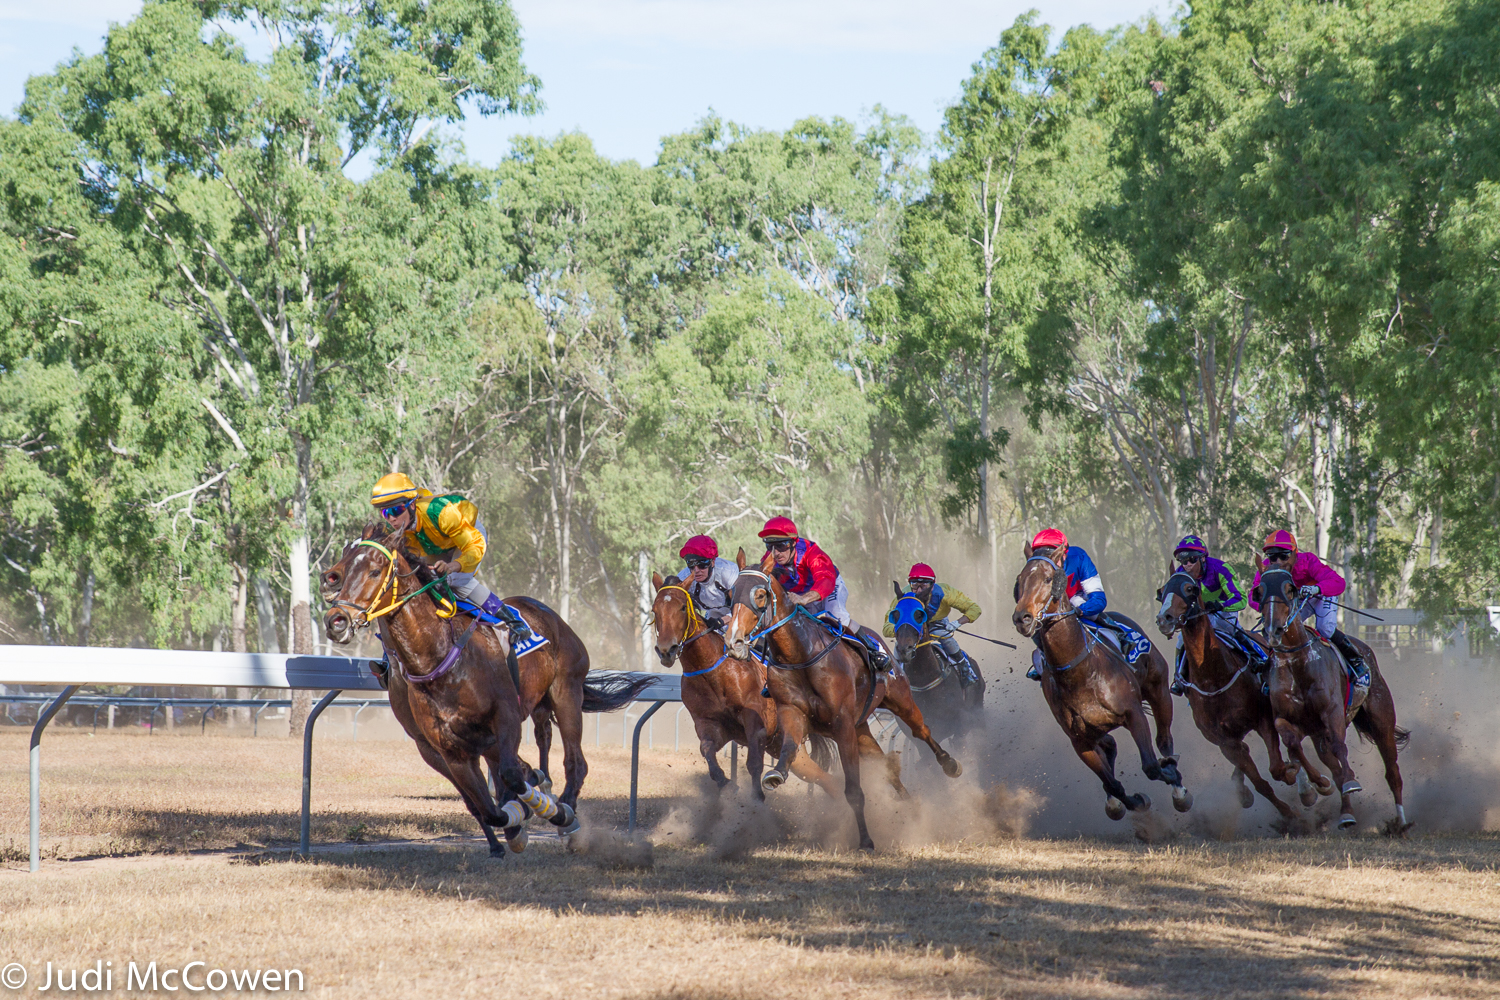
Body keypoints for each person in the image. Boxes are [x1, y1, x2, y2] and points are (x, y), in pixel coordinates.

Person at [368, 472, 532, 639]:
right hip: (435, 545)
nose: (391, 519)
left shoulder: (443, 513)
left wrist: (453, 566)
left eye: (396, 510)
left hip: (468, 537)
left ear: (412, 505)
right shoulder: (393, 529)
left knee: (453, 580)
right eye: (385, 513)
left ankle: (514, 622)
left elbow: (473, 545)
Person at [757, 516, 892, 672]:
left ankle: (874, 651)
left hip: (829, 586)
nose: (775, 553)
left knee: (837, 616)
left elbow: (825, 580)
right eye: (769, 546)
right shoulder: (769, 561)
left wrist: (804, 598)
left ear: (793, 542)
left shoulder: (812, 553)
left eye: (781, 546)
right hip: (799, 596)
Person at [1249, 529, 1370, 695]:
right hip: (1295, 601)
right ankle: (1270, 673)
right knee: (1278, 630)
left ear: (1294, 553)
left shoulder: (1308, 561)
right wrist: (1269, 608)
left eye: (1283, 556)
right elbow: (1252, 596)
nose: (1278, 561)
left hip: (1318, 595)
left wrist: (1316, 588)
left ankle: (1356, 662)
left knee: (1326, 629)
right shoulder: (1267, 569)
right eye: (1272, 556)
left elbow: (1338, 583)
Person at [1023, 528, 1149, 680]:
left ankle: (1121, 637)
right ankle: (1044, 656)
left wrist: (1080, 611)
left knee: (1089, 609)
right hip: (1051, 605)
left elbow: (1099, 599)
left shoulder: (1078, 557)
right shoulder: (1036, 568)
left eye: (1052, 554)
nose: (1048, 560)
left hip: (1076, 600)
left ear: (1064, 553)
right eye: (1042, 554)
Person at [1166, 534, 1266, 696]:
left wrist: (1220, 605)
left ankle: (1259, 658)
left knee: (1231, 628)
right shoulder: (1180, 574)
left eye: (1192, 559)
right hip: (1198, 615)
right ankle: (1178, 677)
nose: (1187, 565)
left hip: (1223, 611)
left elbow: (1240, 599)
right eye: (1183, 561)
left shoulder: (1220, 569)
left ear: (1203, 558)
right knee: (1181, 639)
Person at [883, 563, 983, 688]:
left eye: (923, 585)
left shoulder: (945, 592)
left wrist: (957, 623)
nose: (918, 590)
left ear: (932, 584)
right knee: (899, 646)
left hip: (937, 624)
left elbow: (974, 609)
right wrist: (901, 630)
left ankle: (966, 671)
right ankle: (892, 680)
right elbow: (887, 624)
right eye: (914, 585)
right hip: (912, 628)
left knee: (946, 638)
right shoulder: (904, 595)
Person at [674, 534, 738, 631]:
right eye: (691, 564)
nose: (696, 570)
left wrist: (723, 620)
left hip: (738, 612)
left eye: (702, 564)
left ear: (712, 562)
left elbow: (744, 605)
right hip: (711, 614)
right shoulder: (683, 578)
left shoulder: (729, 572)